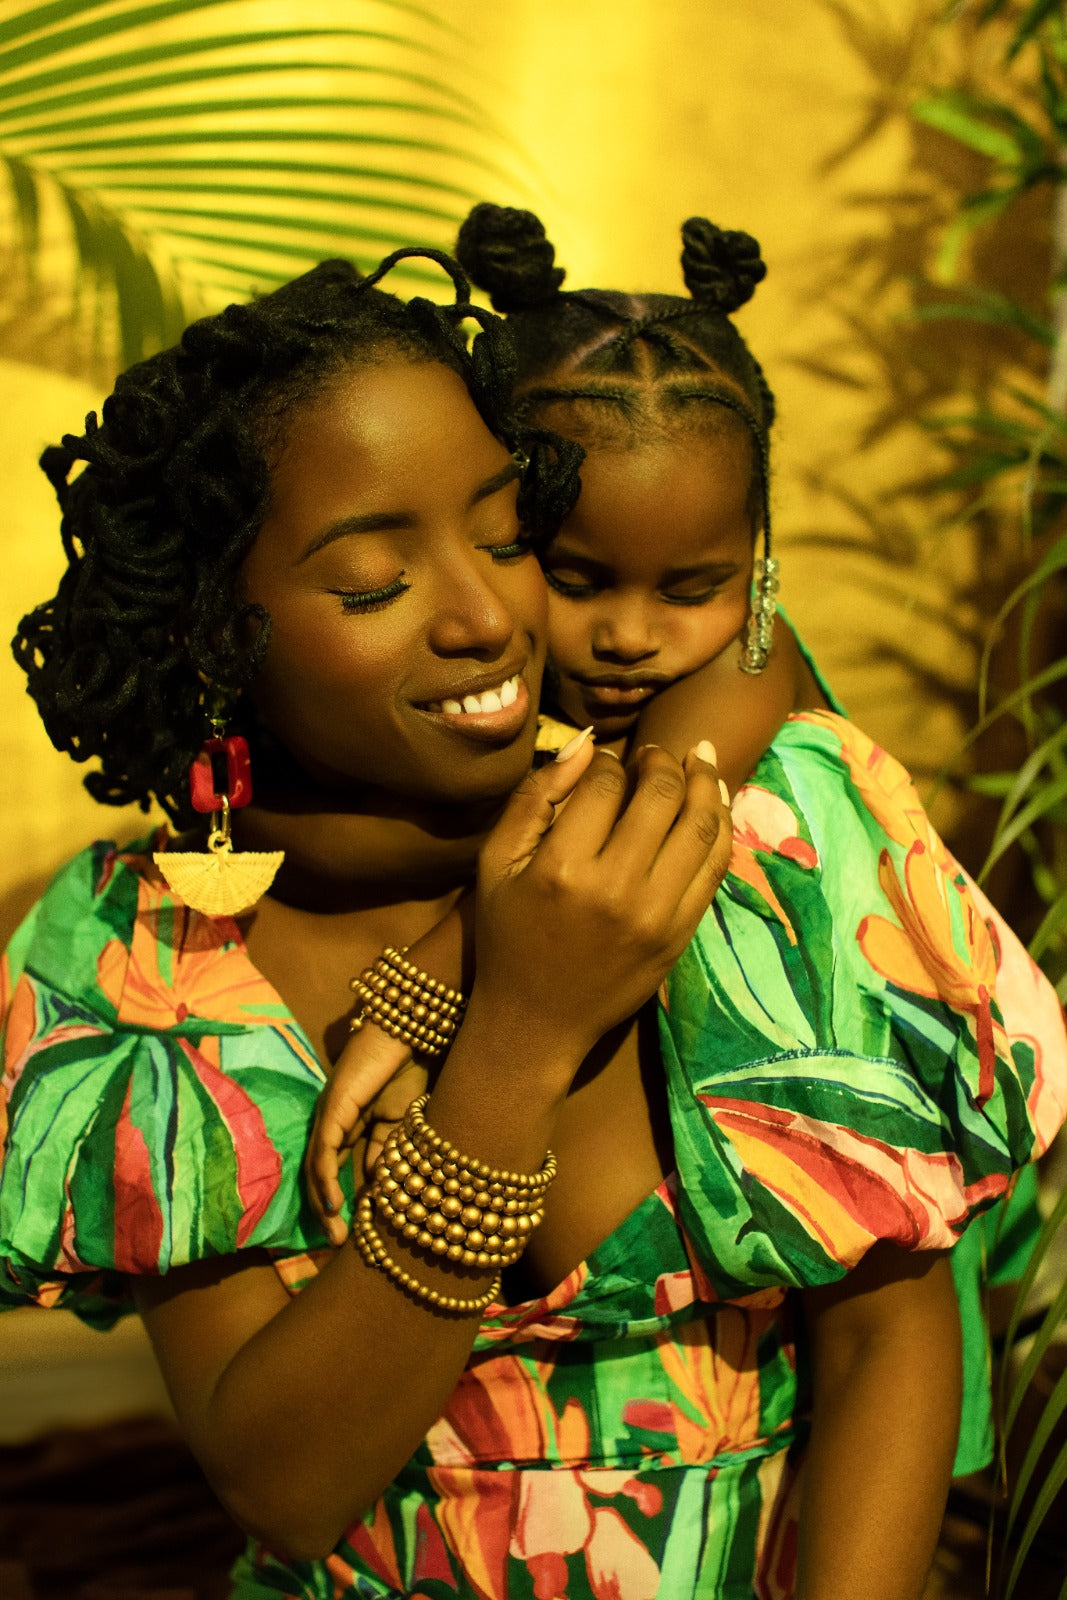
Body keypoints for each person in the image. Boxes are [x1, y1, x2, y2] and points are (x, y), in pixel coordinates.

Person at [0, 239, 1061, 1600]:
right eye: (375, 582)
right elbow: (285, 1489)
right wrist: (520, 1034)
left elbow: (888, 1339)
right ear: (215, 635)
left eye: (509, 540)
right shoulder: (150, 962)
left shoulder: (751, 838)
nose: (486, 617)